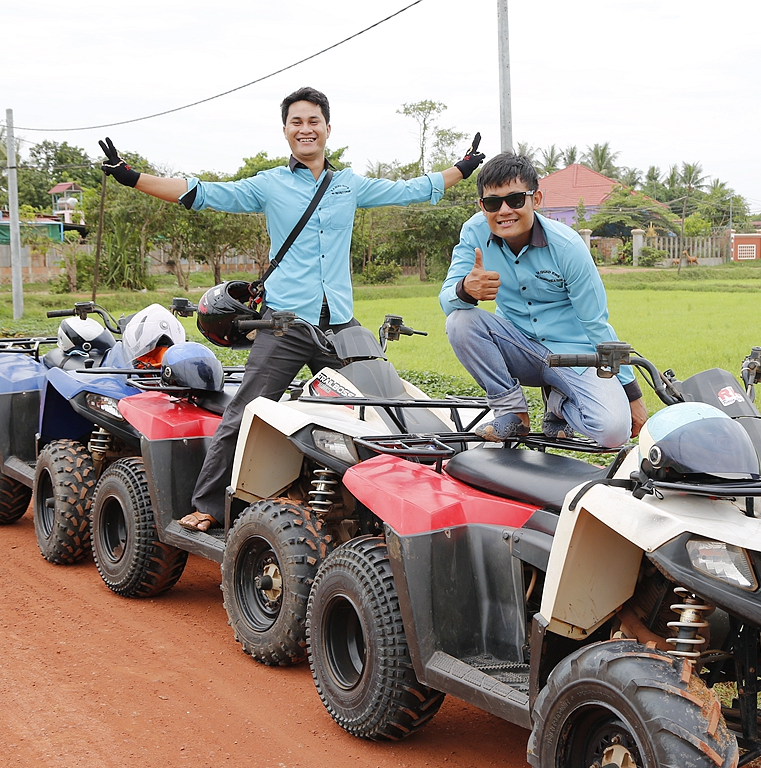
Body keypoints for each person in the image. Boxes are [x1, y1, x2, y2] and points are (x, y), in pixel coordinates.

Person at [98, 86, 484, 532]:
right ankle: (207, 504)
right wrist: (132, 177)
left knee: (383, 407)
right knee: (247, 410)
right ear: (285, 131)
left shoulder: (348, 185)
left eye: (313, 121)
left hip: (339, 325)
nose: (306, 129)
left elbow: (414, 189)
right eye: (296, 122)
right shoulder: (269, 184)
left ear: (327, 129)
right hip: (285, 324)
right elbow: (201, 193)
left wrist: (463, 168)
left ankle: (386, 510)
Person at [439, 153, 647, 446]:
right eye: (493, 203)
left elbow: (598, 324)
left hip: (573, 355)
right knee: (460, 320)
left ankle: (558, 403)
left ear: (535, 199)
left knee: (613, 432)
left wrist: (632, 393)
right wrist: (465, 290)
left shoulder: (568, 247)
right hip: (519, 347)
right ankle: (512, 412)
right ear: (482, 206)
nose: (504, 211)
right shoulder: (474, 233)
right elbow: (447, 302)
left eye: (515, 200)